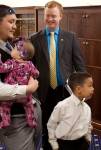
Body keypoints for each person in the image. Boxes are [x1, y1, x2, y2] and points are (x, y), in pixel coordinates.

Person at [30, 1, 86, 149]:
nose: (50, 19)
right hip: (44, 93)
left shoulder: (70, 37)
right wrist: (33, 93)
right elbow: (30, 68)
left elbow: (80, 67)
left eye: (54, 16)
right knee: (47, 129)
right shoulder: (35, 38)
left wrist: (83, 90)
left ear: (60, 16)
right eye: (47, 15)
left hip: (66, 92)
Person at [0, 4, 42, 150]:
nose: (14, 26)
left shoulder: (11, 46)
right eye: (11, 21)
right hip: (14, 118)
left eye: (16, 22)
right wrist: (28, 88)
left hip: (30, 110)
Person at [47, 72, 94, 150]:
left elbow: (88, 125)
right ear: (78, 89)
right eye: (90, 86)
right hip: (64, 144)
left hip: (81, 143)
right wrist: (53, 143)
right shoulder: (62, 106)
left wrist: (88, 139)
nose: (93, 89)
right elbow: (51, 124)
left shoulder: (87, 108)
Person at [0, 39, 39, 128]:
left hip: (12, 91)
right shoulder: (30, 64)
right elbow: (36, 73)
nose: (12, 49)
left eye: (14, 49)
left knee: (5, 106)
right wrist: (33, 77)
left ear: (21, 54)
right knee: (29, 107)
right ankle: (31, 121)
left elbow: (2, 68)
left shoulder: (12, 63)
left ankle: (5, 121)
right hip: (25, 93)